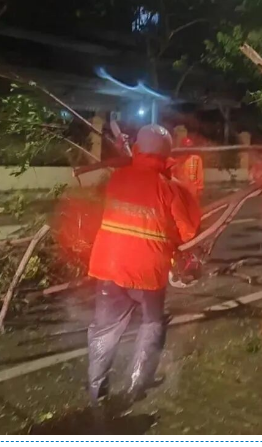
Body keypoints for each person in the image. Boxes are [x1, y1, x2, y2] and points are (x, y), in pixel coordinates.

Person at [87, 124, 201, 404]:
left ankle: (96, 390)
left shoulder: (116, 179)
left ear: (137, 149)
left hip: (109, 265)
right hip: (148, 271)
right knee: (151, 324)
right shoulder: (169, 187)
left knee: (104, 330)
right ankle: (136, 385)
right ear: (167, 154)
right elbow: (188, 232)